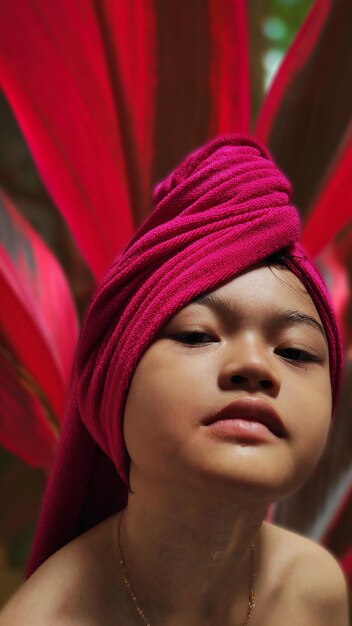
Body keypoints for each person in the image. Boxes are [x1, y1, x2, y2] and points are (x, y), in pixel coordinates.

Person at [0, 135, 349, 625]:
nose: (254, 364)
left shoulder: (316, 590)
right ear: (114, 388)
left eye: (293, 350)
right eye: (197, 335)